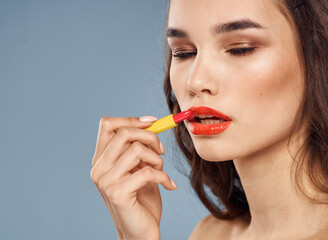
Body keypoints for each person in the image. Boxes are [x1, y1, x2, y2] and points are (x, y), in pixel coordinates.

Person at [91, 0, 328, 239]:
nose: (195, 82)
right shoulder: (209, 234)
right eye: (183, 53)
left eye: (240, 48)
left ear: (318, 56)